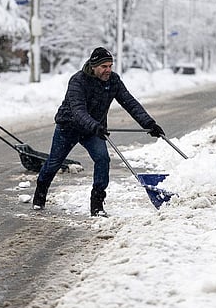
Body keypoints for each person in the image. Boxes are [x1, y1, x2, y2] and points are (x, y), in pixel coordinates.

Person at [32, 47, 165, 216]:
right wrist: (95, 125)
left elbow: (130, 103)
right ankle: (40, 194)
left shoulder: (113, 81)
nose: (108, 70)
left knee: (103, 159)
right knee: (53, 163)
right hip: (69, 127)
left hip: (93, 130)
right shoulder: (78, 81)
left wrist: (149, 123)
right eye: (104, 67)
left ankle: (97, 204)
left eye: (110, 66)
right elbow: (78, 110)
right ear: (93, 66)